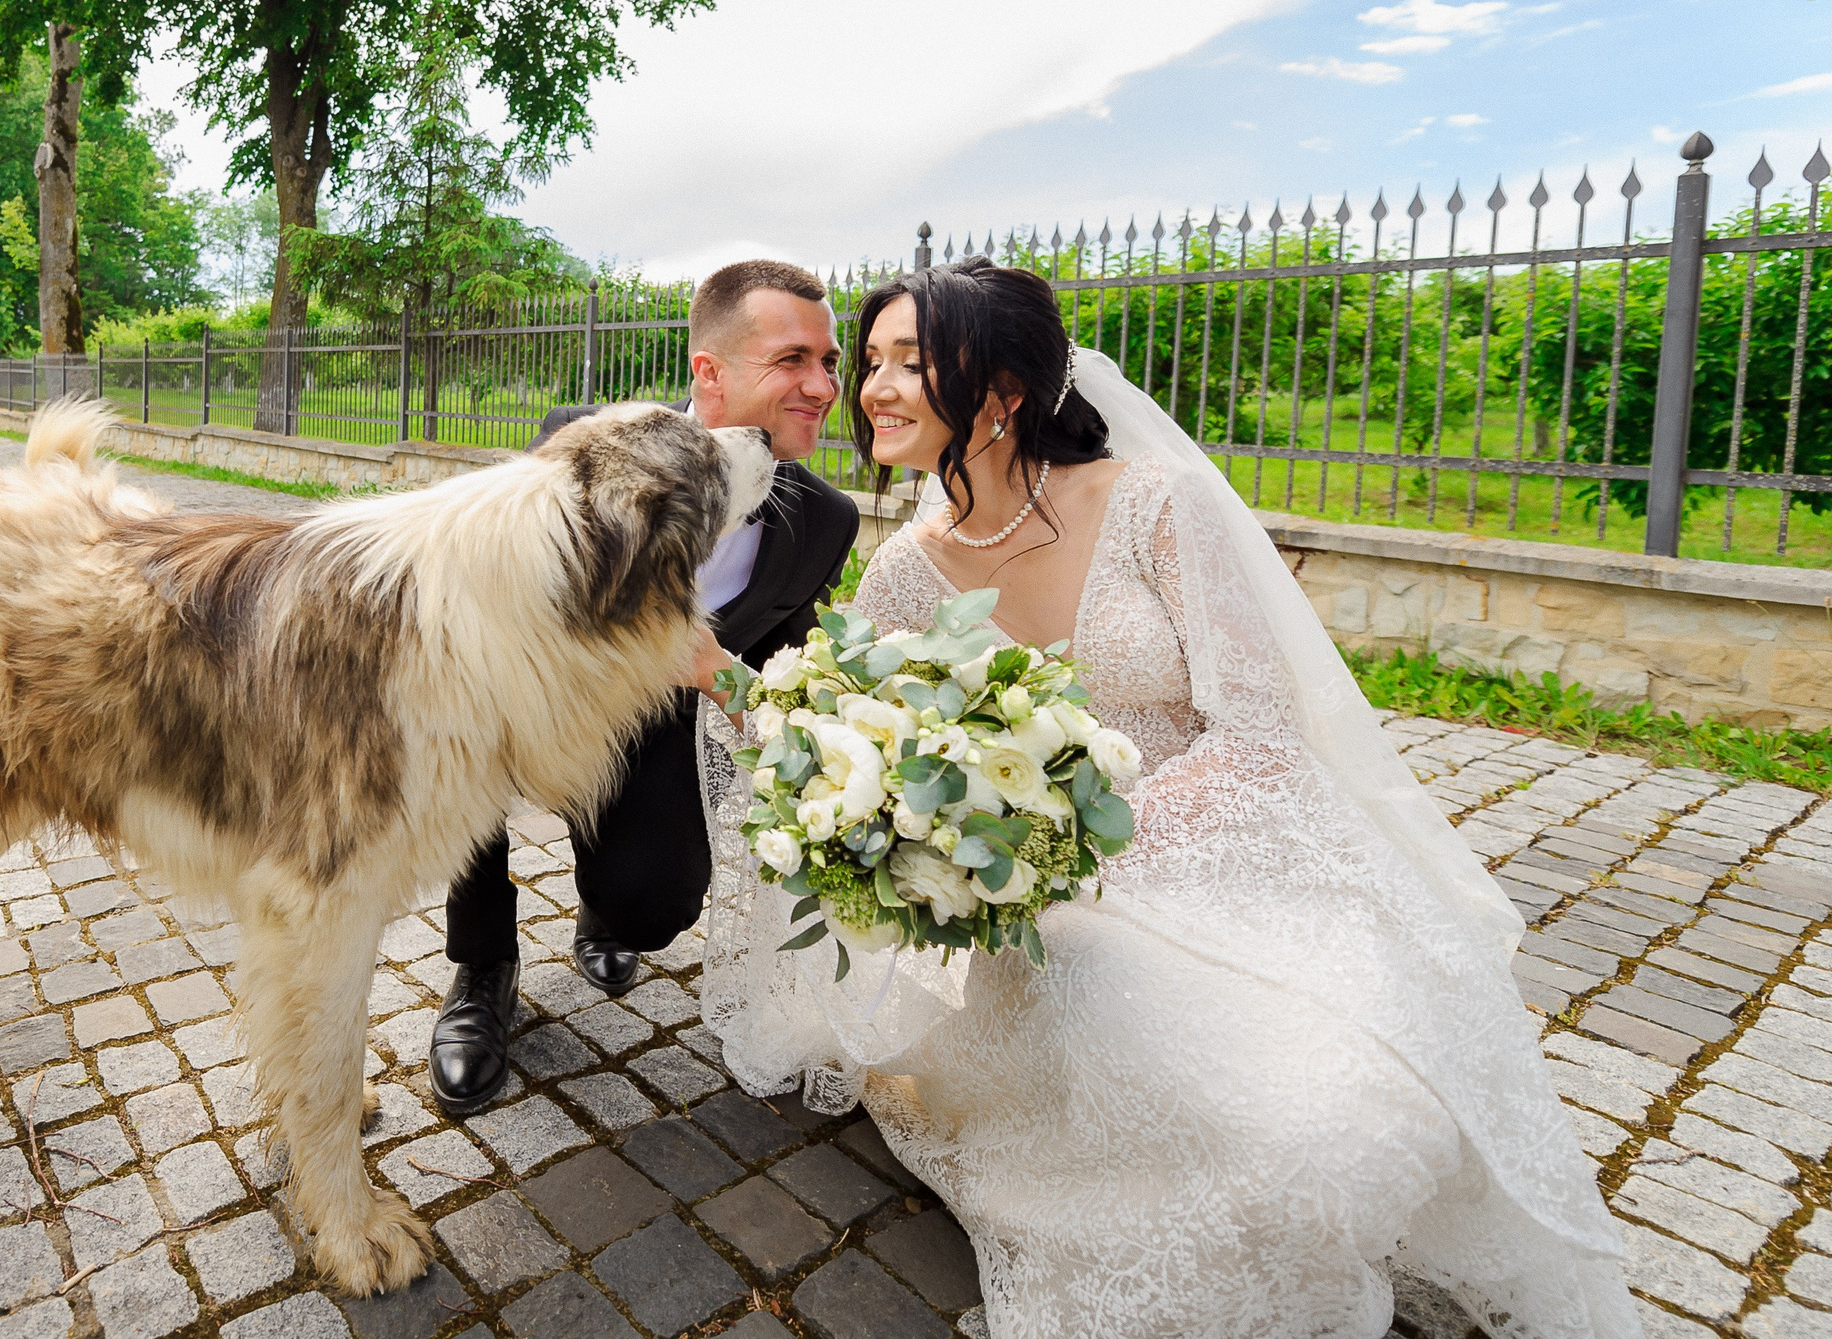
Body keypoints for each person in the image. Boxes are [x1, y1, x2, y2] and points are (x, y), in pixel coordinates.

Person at [695, 261, 1638, 1337]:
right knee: (1247, 1126)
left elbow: (1260, 734)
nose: (871, 388)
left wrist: (1086, 852)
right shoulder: (906, 568)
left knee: (1352, 1116)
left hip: (1226, 854)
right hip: (1036, 911)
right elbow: (846, 736)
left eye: (909, 362)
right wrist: (722, 680)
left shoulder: (1153, 504)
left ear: (1001, 392)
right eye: (871, 362)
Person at [428, 260, 860, 1115]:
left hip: (656, 731)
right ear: (711, 372)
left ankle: (604, 911)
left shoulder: (826, 521)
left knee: (652, 913)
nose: (824, 386)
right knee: (464, 730)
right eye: (793, 360)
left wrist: (728, 684)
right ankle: (483, 969)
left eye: (832, 361)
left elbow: (775, 674)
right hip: (522, 702)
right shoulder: (585, 441)